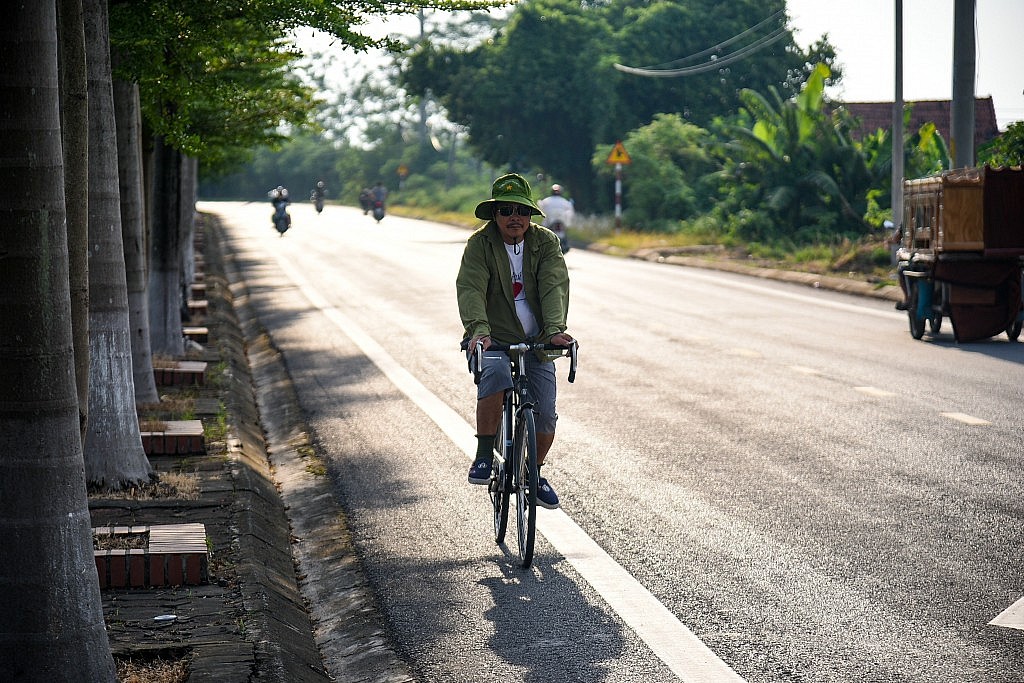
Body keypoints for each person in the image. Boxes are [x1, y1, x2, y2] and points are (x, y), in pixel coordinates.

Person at [456, 173, 574, 510]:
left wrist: (554, 330)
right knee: (494, 376)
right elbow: (471, 288)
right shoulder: (480, 244)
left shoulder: (546, 242)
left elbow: (554, 285)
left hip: (538, 339)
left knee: (546, 413)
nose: (514, 218)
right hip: (492, 339)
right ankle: (482, 456)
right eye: (506, 210)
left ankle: (534, 473)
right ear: (495, 214)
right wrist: (479, 331)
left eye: (521, 210)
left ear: (530, 214)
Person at [537, 183, 575, 253]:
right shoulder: (565, 202)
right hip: (559, 224)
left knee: (542, 234)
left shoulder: (546, 200)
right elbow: (571, 212)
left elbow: (541, 209)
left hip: (551, 224)